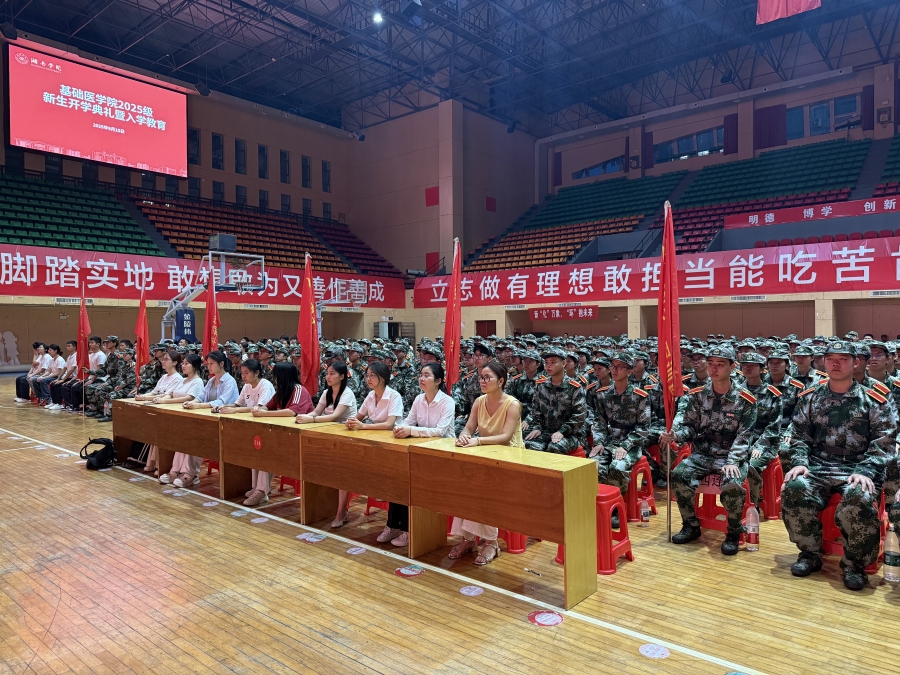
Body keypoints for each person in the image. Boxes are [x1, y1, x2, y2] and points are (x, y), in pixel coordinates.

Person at [782, 341, 897, 591]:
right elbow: (799, 435)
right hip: (819, 465)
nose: (836, 363)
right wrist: (800, 462)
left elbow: (884, 441)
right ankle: (810, 553)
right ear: (823, 362)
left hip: (858, 467)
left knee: (859, 497)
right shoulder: (810, 396)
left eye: (843, 359)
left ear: (856, 363)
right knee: (793, 488)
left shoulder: (873, 399)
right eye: (831, 358)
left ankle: (855, 565)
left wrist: (866, 471)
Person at [659, 345, 757, 556]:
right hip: (703, 453)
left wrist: (733, 461)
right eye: (711, 363)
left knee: (732, 484)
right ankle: (691, 525)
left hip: (730, 454)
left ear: (733, 367)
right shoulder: (697, 395)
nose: (714, 368)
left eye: (720, 364)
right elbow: (690, 427)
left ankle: (733, 532)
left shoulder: (745, 399)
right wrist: (676, 435)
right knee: (678, 475)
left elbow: (745, 436)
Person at [452, 361, 523, 565]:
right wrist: (464, 436)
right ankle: (467, 539)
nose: (482, 381)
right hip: (485, 456)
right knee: (463, 485)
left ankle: (491, 542)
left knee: (483, 489)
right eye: (481, 378)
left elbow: (505, 437)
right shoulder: (479, 401)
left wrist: (477, 440)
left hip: (509, 459)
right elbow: (469, 427)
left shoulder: (512, 404)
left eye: (487, 378)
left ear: (501, 381)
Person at [341, 362, 405, 541]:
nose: (368, 379)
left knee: (393, 484)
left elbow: (389, 424)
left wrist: (362, 427)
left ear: (382, 378)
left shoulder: (394, 396)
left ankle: (397, 526)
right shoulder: (370, 396)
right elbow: (359, 417)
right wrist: (351, 422)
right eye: (367, 375)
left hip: (393, 445)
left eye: (372, 376)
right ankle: (391, 525)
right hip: (375, 442)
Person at [589, 352, 651, 523]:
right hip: (609, 441)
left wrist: (625, 445)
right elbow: (599, 422)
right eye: (613, 366)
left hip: (631, 444)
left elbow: (643, 427)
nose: (615, 370)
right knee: (593, 464)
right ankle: (598, 506)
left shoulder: (640, 396)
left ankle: (616, 509)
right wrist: (599, 442)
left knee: (617, 467)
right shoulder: (603, 394)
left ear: (629, 372)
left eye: (620, 367)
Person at [219, 359, 277, 506]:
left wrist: (235, 410)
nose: (243, 376)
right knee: (252, 457)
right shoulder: (246, 386)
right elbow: (237, 404)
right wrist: (223, 407)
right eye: (242, 373)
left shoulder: (265, 385)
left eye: (246, 373)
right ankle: (256, 487)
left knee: (263, 457)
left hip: (268, 428)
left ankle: (262, 491)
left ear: (256, 373)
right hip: (252, 427)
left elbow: (260, 408)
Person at [150, 354, 206, 486]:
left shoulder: (197, 382)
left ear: (195, 366)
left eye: (187, 363)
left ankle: (190, 473)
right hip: (176, 415)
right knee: (178, 443)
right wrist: (161, 398)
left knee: (189, 443)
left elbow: (188, 398)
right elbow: (171, 393)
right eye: (183, 363)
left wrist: (165, 401)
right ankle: (175, 470)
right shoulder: (183, 380)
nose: (183, 366)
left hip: (191, 418)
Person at [739, 353, 784, 508]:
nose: (748, 368)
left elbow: (774, 427)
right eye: (745, 365)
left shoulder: (773, 394)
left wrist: (760, 445)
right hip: (740, 441)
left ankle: (753, 504)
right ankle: (736, 503)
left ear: (762, 369)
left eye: (752, 365)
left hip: (765, 442)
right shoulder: (735, 391)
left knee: (752, 465)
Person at [524, 346, 587, 454]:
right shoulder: (541, 386)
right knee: (528, 444)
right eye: (546, 362)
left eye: (553, 362)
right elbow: (536, 412)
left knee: (555, 447)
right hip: (546, 431)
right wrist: (537, 428)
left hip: (571, 434)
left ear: (563, 363)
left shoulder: (575, 387)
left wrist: (562, 431)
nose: (548, 366)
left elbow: (579, 416)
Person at [47, 340, 78, 410]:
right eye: (67, 346)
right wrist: (58, 378)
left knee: (63, 386)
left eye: (69, 346)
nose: (67, 347)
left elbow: (72, 369)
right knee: (53, 383)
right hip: (68, 377)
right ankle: (55, 402)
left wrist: (63, 380)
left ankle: (66, 404)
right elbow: (64, 369)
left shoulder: (76, 356)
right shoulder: (69, 357)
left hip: (74, 378)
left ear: (75, 347)